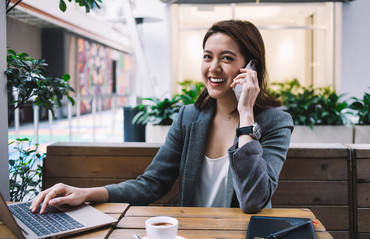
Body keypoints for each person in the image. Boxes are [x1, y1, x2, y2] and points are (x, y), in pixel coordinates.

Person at [30, 19, 293, 214]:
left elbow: (254, 201)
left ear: (251, 67)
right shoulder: (189, 117)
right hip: (191, 232)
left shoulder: (275, 122)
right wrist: (87, 193)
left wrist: (246, 114)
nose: (213, 67)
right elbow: (153, 183)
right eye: (207, 56)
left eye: (226, 58)